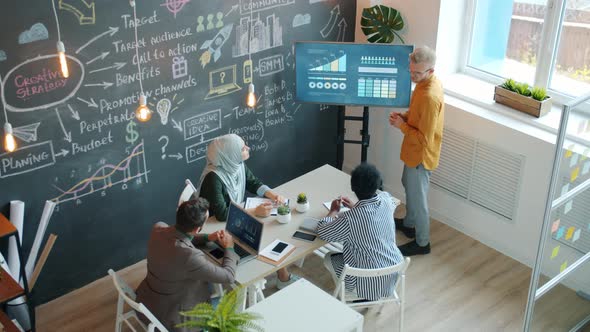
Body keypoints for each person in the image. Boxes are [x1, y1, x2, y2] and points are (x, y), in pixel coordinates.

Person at [196, 133, 298, 289]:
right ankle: (280, 277)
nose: (248, 148)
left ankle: (281, 275)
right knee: (265, 236)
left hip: (233, 220)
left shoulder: (235, 165)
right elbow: (222, 214)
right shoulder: (213, 178)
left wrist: (273, 194)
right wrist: (254, 211)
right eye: (243, 148)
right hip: (216, 230)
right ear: (230, 154)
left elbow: (253, 183)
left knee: (267, 231)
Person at [136, 198, 238, 331]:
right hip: (172, 317)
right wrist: (229, 247)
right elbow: (229, 276)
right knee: (229, 306)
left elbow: (179, 234)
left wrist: (208, 237)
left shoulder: (158, 228)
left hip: (148, 301)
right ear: (197, 229)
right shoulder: (190, 256)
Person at [317, 163, 404, 301]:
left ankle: (353, 291)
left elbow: (323, 231)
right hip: (394, 272)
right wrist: (354, 207)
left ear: (353, 188)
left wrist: (333, 211)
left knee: (329, 257)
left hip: (368, 282)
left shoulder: (350, 219)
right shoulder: (387, 200)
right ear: (378, 184)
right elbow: (371, 217)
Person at [389, 46, 444, 256]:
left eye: (417, 73)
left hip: (421, 155)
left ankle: (422, 243)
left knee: (418, 199)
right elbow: (417, 116)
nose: (412, 76)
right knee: (407, 184)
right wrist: (404, 117)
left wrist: (401, 126)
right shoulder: (423, 83)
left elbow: (423, 138)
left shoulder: (430, 96)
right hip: (412, 152)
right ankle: (409, 224)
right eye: (410, 71)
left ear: (431, 71)